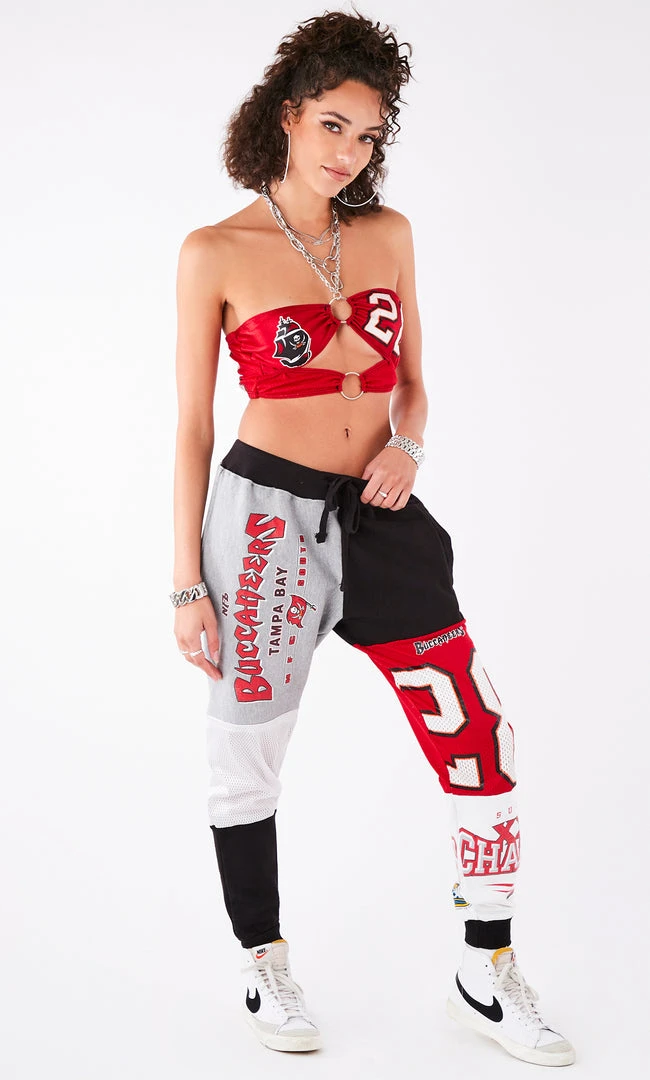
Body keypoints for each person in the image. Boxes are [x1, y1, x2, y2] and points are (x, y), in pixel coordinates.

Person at [171, 9, 575, 1068]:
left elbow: (414, 384)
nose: (349, 152)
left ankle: (485, 971)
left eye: (367, 135)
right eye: (333, 126)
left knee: (478, 739)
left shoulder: (388, 233)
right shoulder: (216, 251)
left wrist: (410, 444)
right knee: (247, 752)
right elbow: (192, 428)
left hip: (383, 514)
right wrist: (185, 583)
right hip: (263, 522)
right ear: (286, 115)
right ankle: (263, 961)